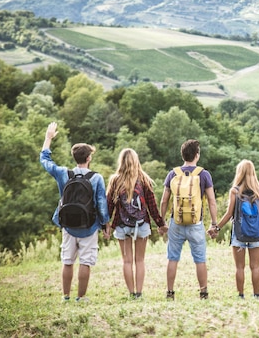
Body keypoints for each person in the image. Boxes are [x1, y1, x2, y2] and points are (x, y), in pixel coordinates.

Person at [39, 122, 110, 303]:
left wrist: (48, 138)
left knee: (67, 260)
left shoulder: (64, 173)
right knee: (85, 261)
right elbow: (101, 204)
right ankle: (81, 297)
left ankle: (65, 296)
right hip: (89, 225)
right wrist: (105, 225)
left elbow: (45, 161)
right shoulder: (96, 178)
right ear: (89, 158)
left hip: (68, 225)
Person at [105, 148, 168, 299]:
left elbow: (108, 206)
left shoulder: (115, 180)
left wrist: (106, 226)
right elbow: (152, 205)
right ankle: (139, 293)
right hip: (142, 224)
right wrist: (160, 224)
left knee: (127, 261)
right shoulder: (144, 179)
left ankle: (131, 293)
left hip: (121, 225)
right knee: (140, 260)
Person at [160, 139, 218, 300]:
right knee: (200, 259)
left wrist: (162, 222)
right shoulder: (204, 174)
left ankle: (170, 292)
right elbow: (212, 201)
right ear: (197, 155)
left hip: (176, 222)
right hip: (196, 224)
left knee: (173, 258)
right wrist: (214, 224)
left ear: (183, 155)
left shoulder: (173, 174)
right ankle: (203, 292)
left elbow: (164, 200)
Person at [212, 160, 259, 299]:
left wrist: (216, 228)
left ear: (239, 172)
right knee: (255, 266)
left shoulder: (234, 191)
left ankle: (241, 295)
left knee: (239, 267)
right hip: (256, 234)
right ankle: (256, 295)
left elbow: (229, 214)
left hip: (239, 234)